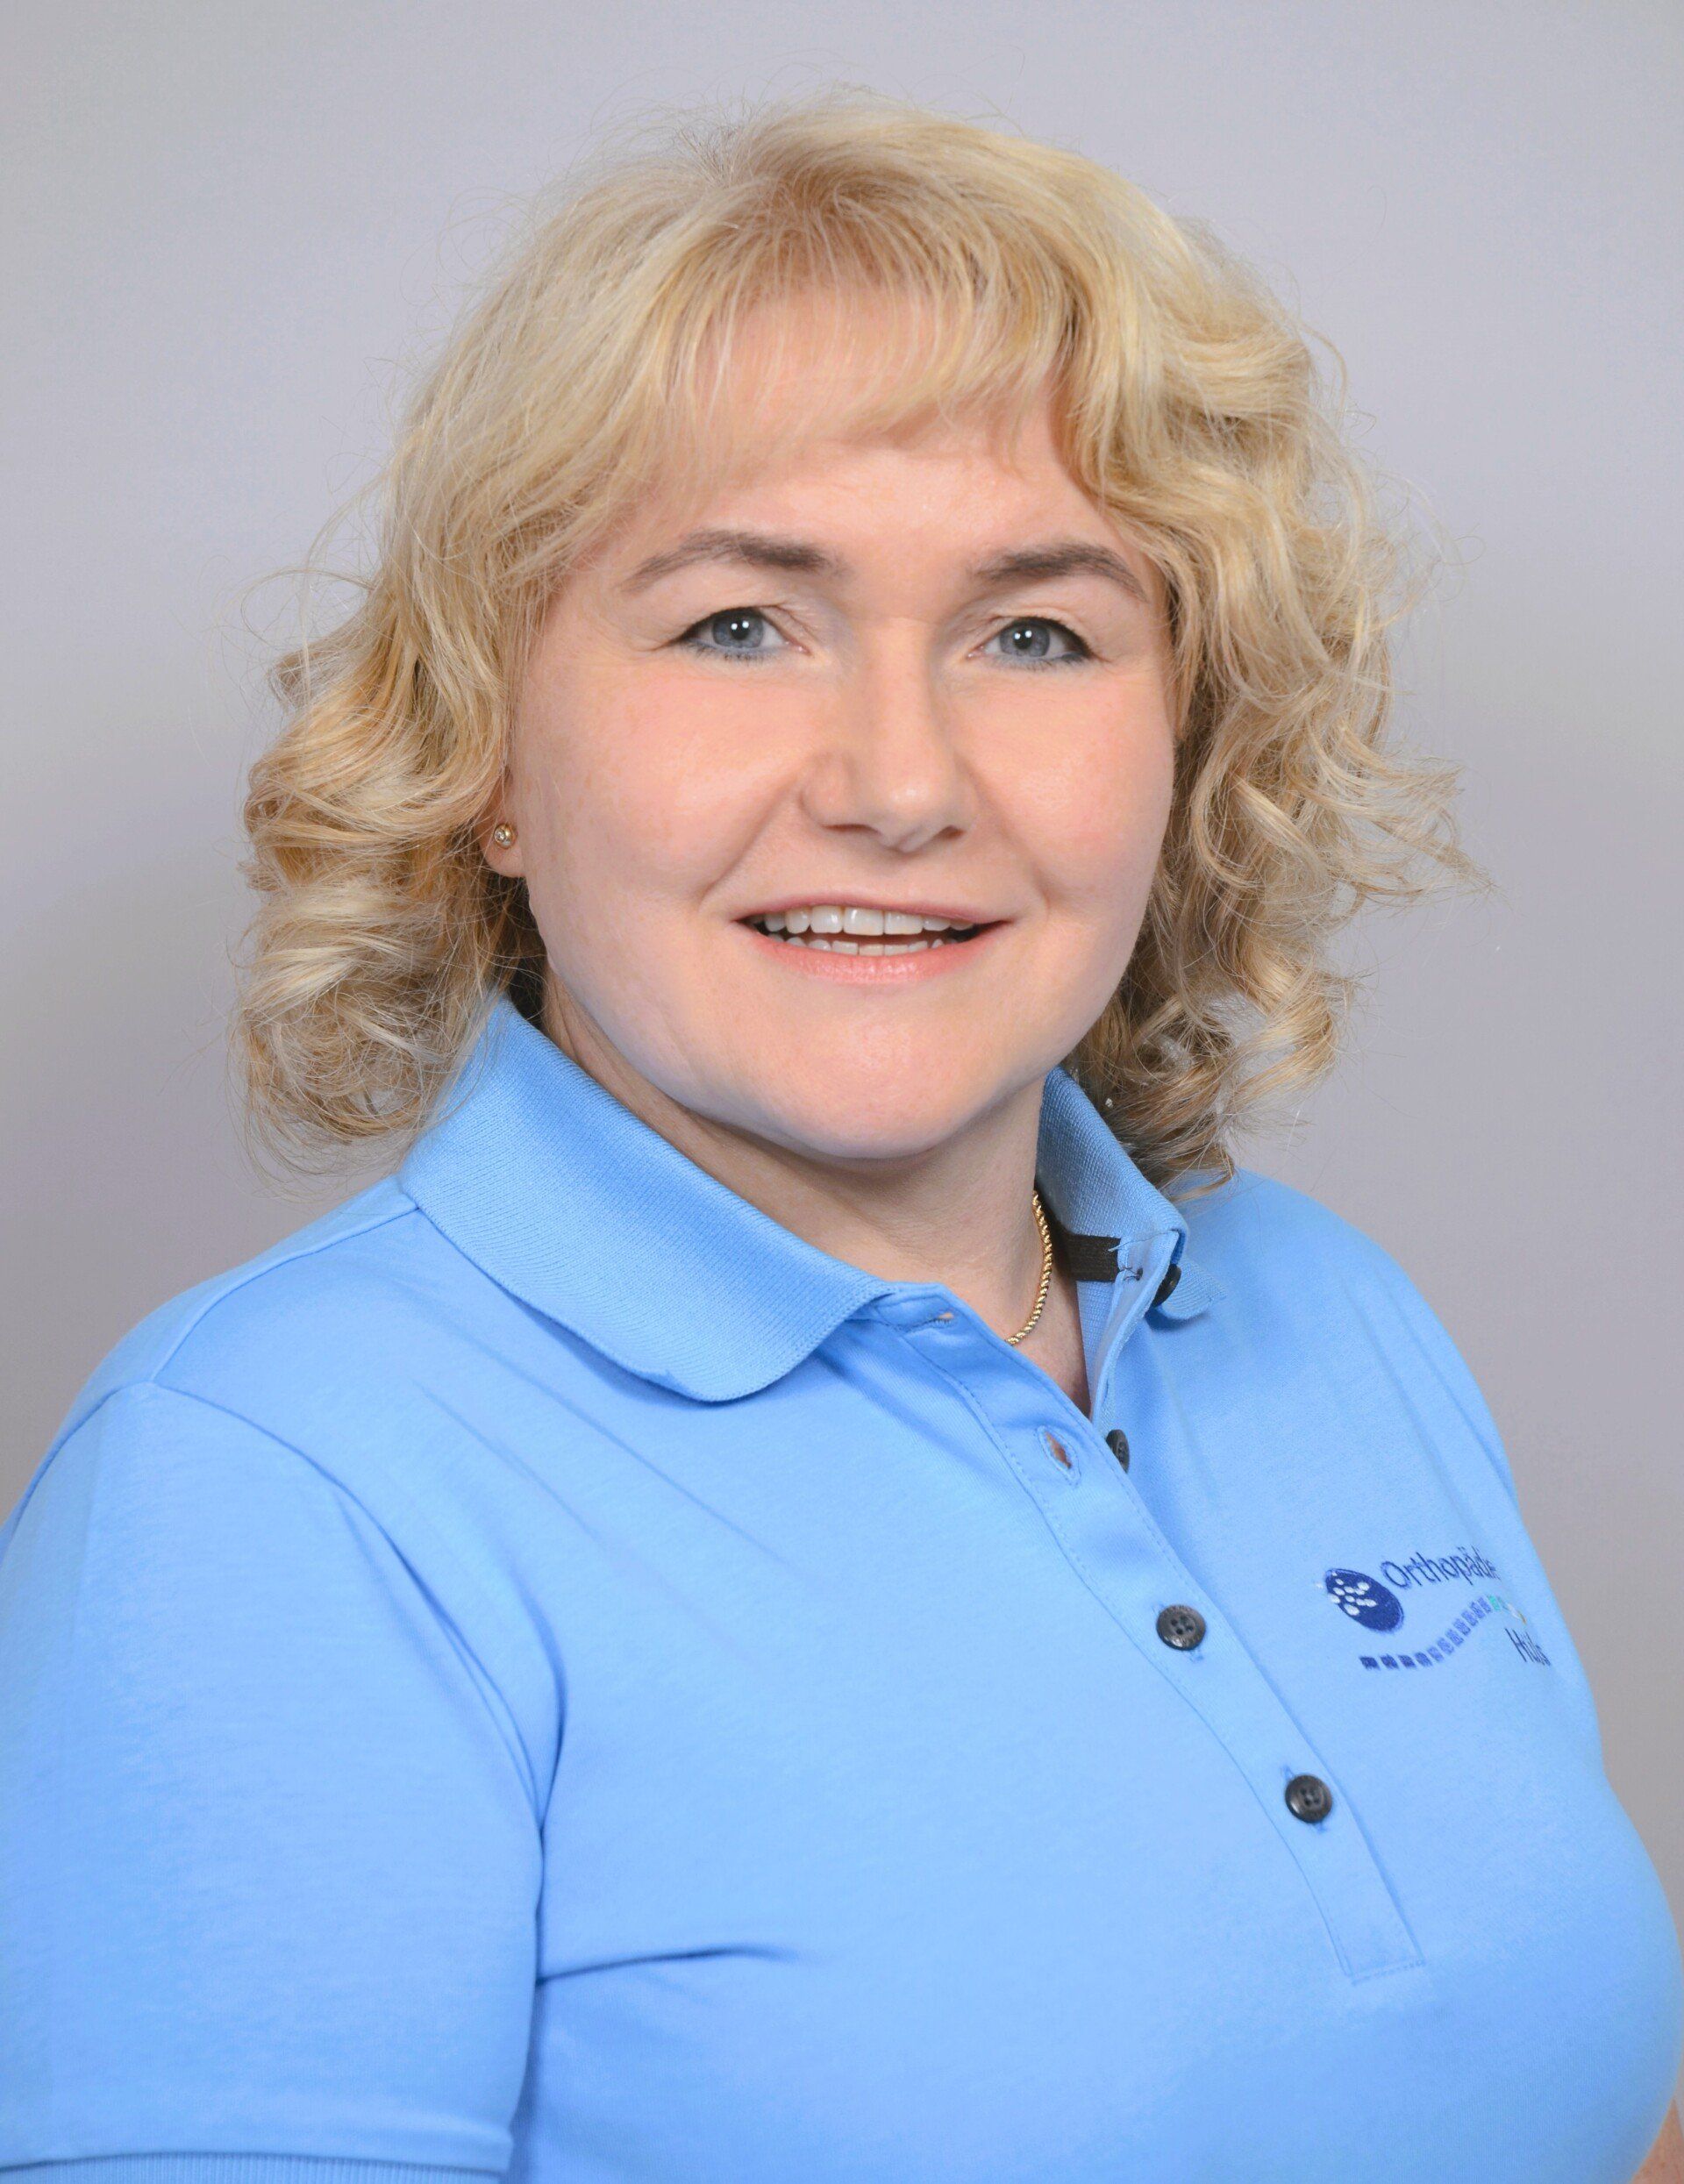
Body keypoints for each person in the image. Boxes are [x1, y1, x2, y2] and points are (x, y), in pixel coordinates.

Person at [1, 85, 1679, 2184]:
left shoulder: (1330, 1314)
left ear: (1186, 748)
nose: (900, 784)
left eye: (1036, 631)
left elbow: (1572, 2101)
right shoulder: (268, 1491)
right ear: (486, 755)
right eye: (739, 623)